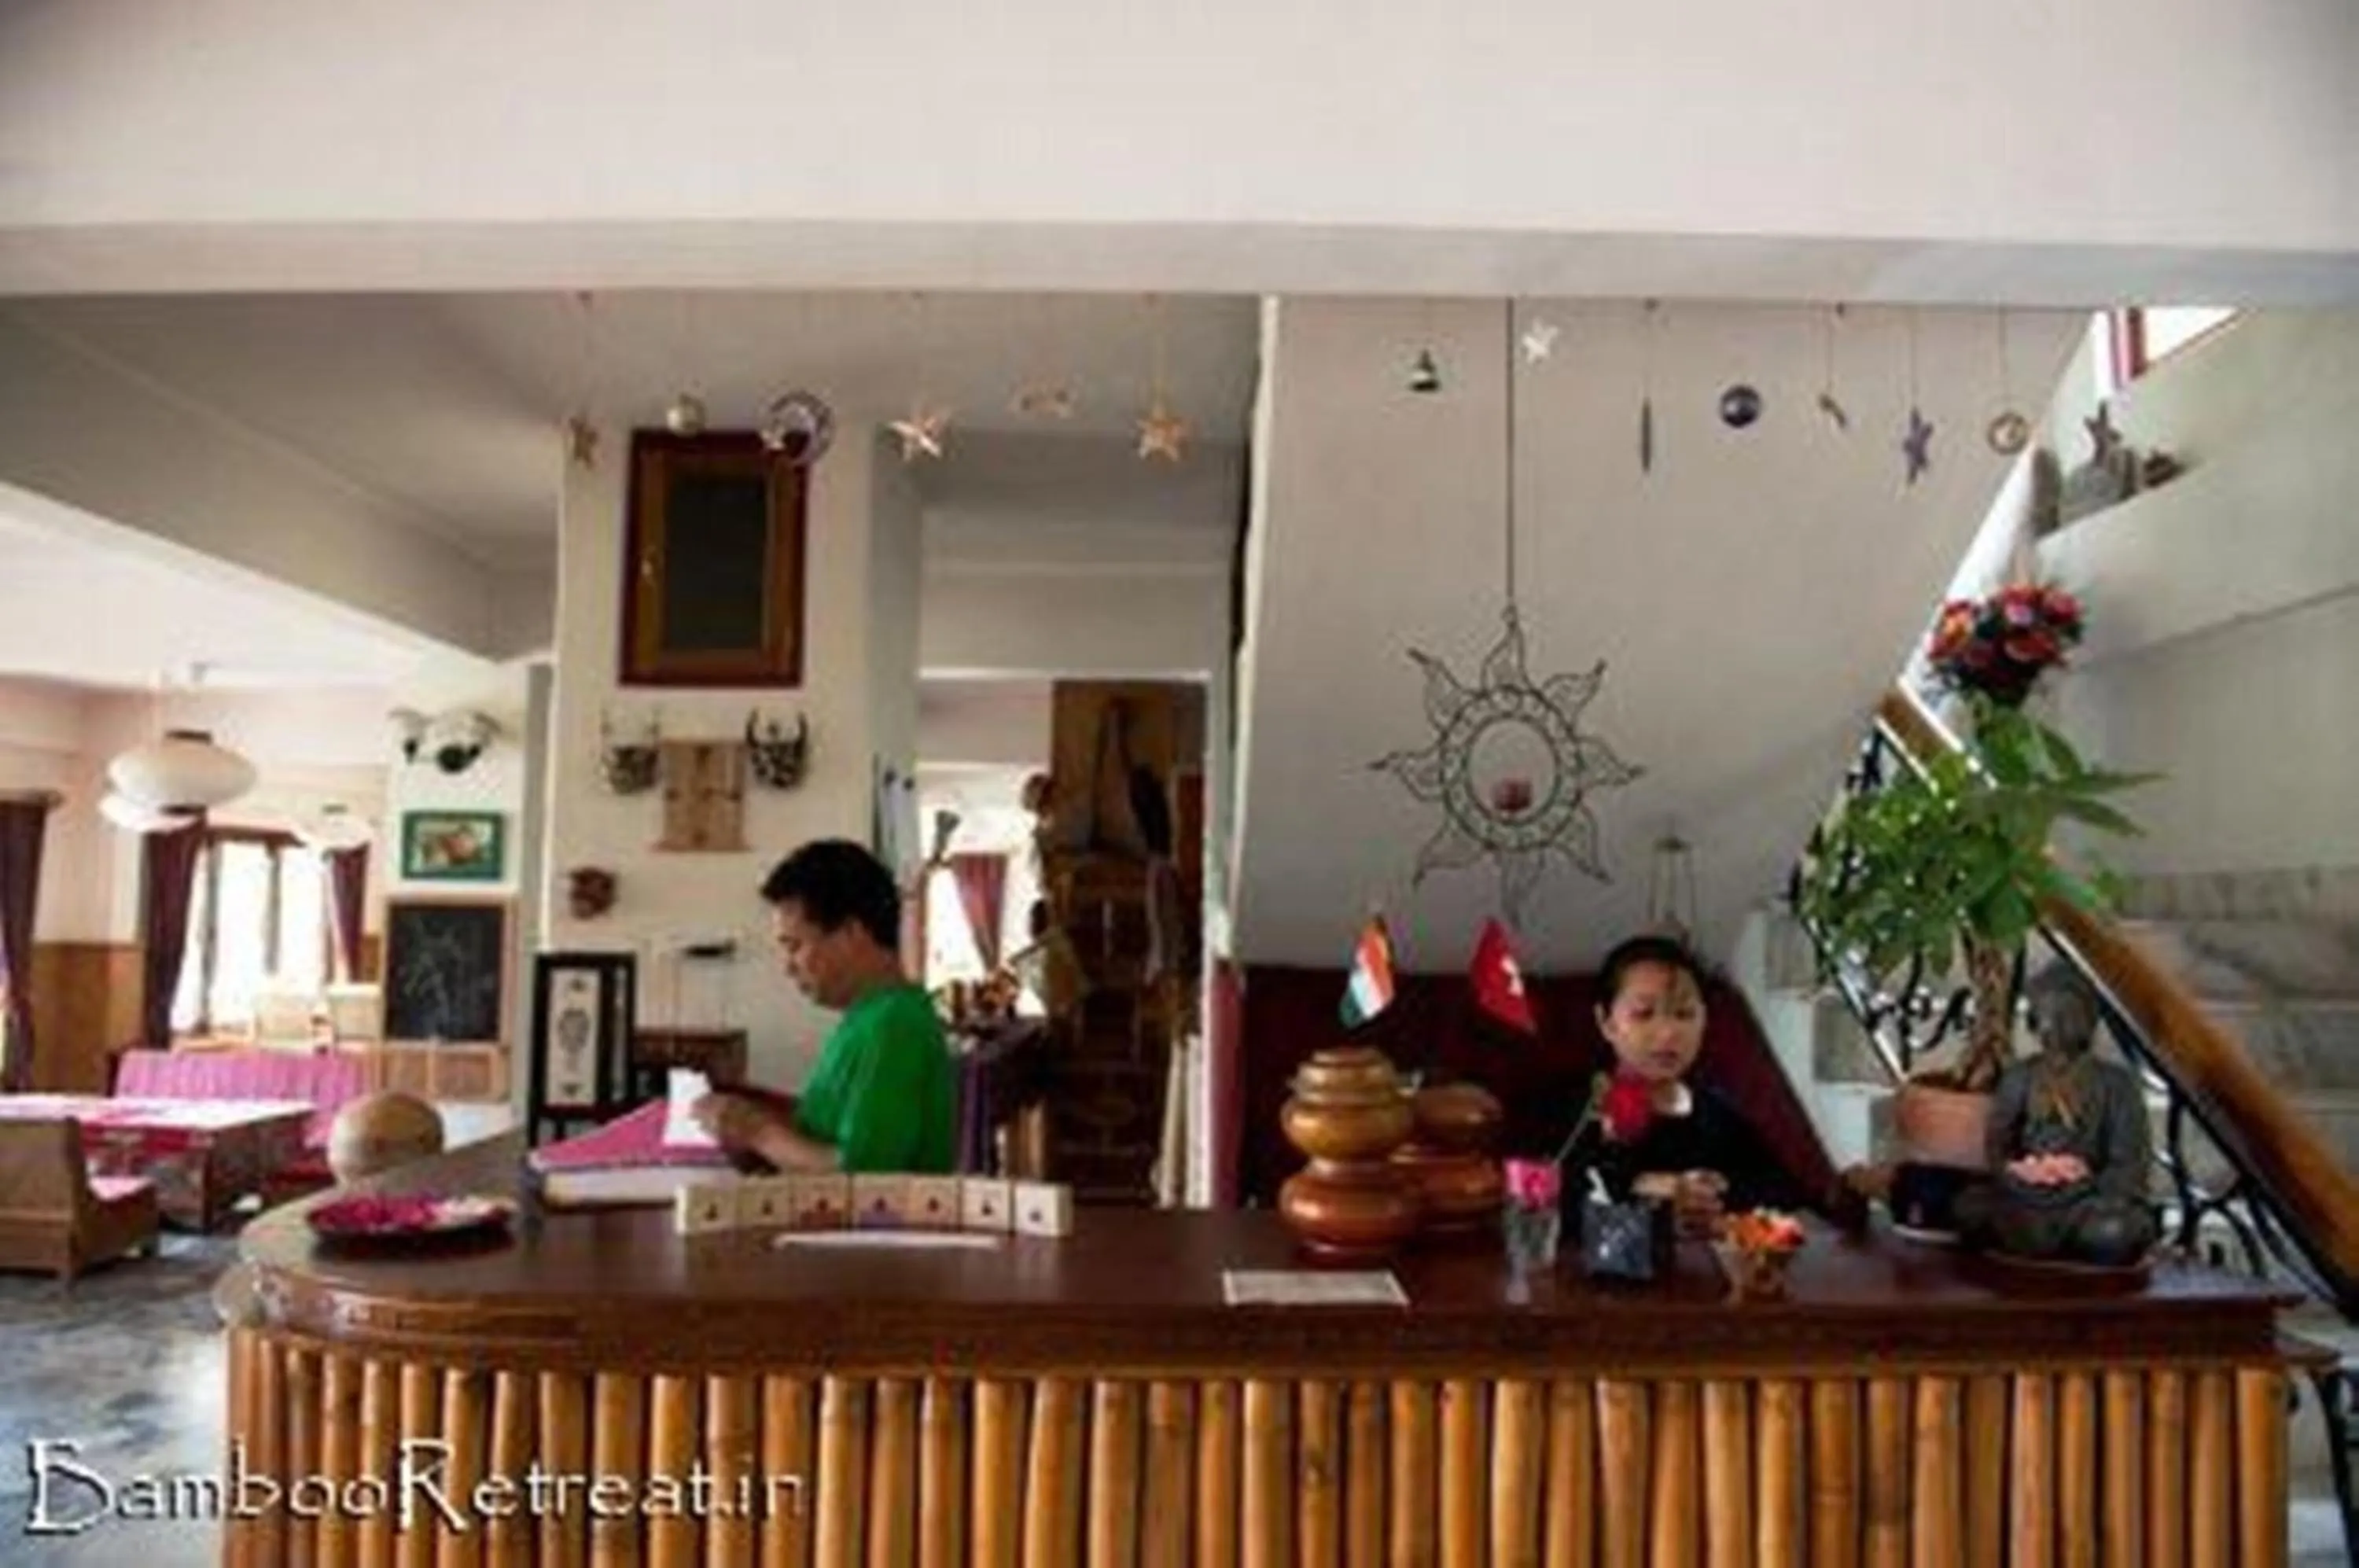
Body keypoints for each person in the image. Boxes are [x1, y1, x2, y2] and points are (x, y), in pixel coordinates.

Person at [693, 840, 957, 1174]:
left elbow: (861, 1180)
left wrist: (757, 1132)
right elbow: (830, 1128)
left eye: (795, 946)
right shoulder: (867, 1015)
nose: (789, 967)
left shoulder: (894, 1022)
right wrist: (753, 1114)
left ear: (851, 933)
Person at [1566, 934, 1817, 1236]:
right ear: (1606, 1022)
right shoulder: (1575, 1111)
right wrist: (1652, 1197)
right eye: (1644, 1014)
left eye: (1684, 1014)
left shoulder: (1718, 1112)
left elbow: (1785, 1195)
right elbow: (1556, 1208)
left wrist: (1716, 1195)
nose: (1668, 1033)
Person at [1952, 962, 2157, 1268]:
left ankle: (2062, 1236)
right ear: (2034, 1021)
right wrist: (2023, 1174)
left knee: (2116, 1231)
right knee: (1967, 1209)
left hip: (2085, 1204)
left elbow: (2128, 1162)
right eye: (2049, 1014)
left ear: (2091, 1020)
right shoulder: (2020, 1077)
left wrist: (2083, 1182)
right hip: (2024, 1198)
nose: (2058, 1025)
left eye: (2070, 1013)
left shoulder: (2116, 1083)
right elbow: (1999, 1146)